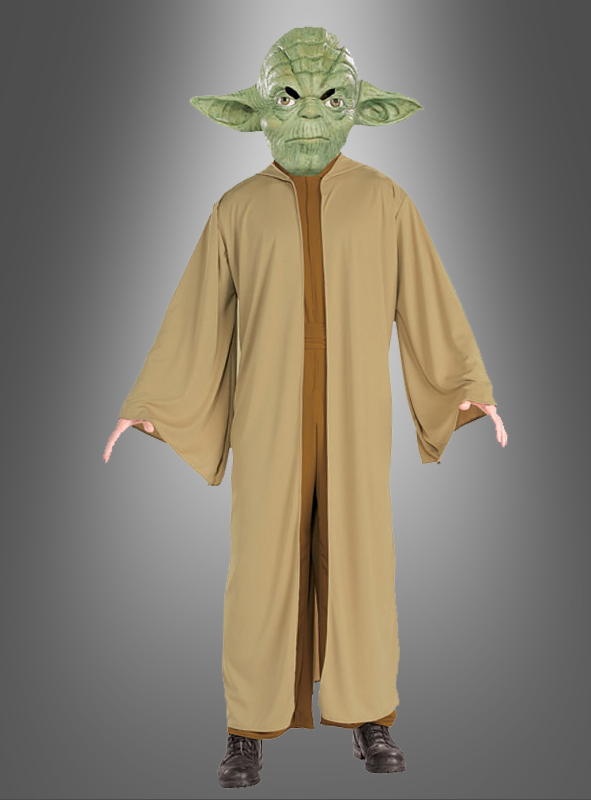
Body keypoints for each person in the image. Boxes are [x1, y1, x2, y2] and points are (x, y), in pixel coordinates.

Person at [103, 26, 507, 790]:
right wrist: (153, 402)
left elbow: (427, 300)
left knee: (360, 558)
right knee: (260, 563)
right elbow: (197, 317)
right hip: (267, 421)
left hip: (355, 419)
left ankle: (370, 714)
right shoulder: (236, 210)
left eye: (330, 98)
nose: (312, 115)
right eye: (291, 97)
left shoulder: (385, 202)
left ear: (361, 108)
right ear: (256, 110)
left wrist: (464, 389)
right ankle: (245, 729)